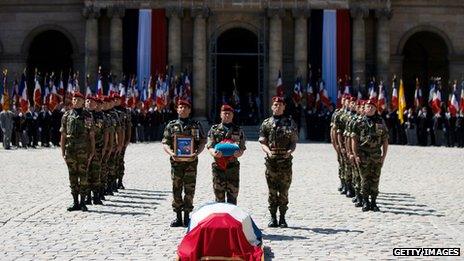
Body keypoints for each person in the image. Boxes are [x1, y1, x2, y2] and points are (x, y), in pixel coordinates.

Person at [162, 99, 206, 227]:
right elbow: (165, 142)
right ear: (177, 109)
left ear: (189, 110)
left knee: (189, 189)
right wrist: (172, 153)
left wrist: (196, 153)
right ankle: (178, 217)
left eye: (186, 107)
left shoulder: (196, 125)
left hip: (191, 162)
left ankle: (187, 216)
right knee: (176, 188)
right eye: (180, 107)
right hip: (176, 163)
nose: (183, 109)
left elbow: (202, 141)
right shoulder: (171, 125)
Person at [259, 96, 298, 228]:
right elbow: (263, 142)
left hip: (285, 162)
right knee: (272, 191)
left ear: (284, 107)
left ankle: (282, 218)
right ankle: (272, 217)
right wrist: (268, 152)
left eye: (280, 105)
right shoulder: (266, 123)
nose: (278, 107)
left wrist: (290, 151)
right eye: (275, 104)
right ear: (272, 106)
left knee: (284, 191)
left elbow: (293, 142)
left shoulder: (290, 122)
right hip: (271, 162)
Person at [60, 91, 95, 211]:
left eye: (78, 100)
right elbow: (63, 135)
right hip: (70, 150)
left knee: (83, 177)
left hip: (83, 151)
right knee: (72, 176)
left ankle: (82, 202)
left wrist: (92, 152)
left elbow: (91, 135)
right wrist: (62, 151)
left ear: (82, 101)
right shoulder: (66, 115)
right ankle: (75, 202)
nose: (75, 101)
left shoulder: (87, 116)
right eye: (74, 99)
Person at [352, 98, 389, 212]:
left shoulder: (380, 122)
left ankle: (373, 201)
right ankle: (365, 202)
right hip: (363, 155)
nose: (370, 108)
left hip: (376, 155)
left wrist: (384, 156)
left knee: (375, 179)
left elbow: (385, 140)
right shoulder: (359, 122)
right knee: (364, 179)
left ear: (375, 109)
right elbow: (354, 140)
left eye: (372, 107)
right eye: (368, 106)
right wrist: (355, 154)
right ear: (365, 108)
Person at [207, 104, 246, 205]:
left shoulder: (238, 130)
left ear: (233, 115)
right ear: (221, 115)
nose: (227, 115)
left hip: (232, 166)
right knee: (219, 196)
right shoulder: (214, 129)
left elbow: (242, 147)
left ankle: (231, 220)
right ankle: (220, 219)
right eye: (225, 113)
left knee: (233, 196)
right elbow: (210, 146)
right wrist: (214, 153)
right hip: (218, 166)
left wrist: (239, 153)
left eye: (229, 114)